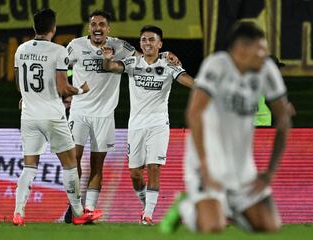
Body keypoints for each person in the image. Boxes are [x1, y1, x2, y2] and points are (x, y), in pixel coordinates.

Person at [160, 22, 291, 233]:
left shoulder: (266, 69)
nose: (264, 55)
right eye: (260, 49)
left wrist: (270, 172)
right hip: (208, 159)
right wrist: (204, 164)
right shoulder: (217, 65)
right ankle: (186, 207)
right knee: (213, 227)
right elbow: (194, 113)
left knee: (269, 226)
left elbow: (284, 120)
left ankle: (230, 208)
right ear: (240, 49)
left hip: (241, 164)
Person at [64, 10, 180, 222]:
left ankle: (88, 209)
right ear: (89, 27)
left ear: (108, 29)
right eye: (93, 24)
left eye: (102, 24)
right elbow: (61, 67)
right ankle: (74, 206)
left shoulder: (121, 47)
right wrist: (67, 88)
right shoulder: (75, 45)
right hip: (79, 111)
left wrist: (165, 55)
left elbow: (146, 57)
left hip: (105, 114)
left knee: (97, 165)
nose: (97, 28)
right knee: (74, 160)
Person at [13, 8, 100, 226]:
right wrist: (82, 90)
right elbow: (63, 88)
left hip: (29, 116)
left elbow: (18, 84)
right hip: (52, 115)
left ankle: (18, 213)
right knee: (70, 163)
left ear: (35, 28)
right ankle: (79, 213)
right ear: (53, 28)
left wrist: (27, 97)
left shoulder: (21, 49)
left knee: (29, 166)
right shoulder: (58, 51)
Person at [102, 25, 195, 225]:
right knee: (135, 174)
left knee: (153, 167)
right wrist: (107, 58)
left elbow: (187, 80)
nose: (147, 43)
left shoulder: (169, 64)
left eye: (152, 40)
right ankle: (146, 205)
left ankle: (148, 215)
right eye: (144, 40)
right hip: (135, 126)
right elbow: (110, 68)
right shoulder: (132, 62)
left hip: (158, 124)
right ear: (140, 43)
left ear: (160, 44)